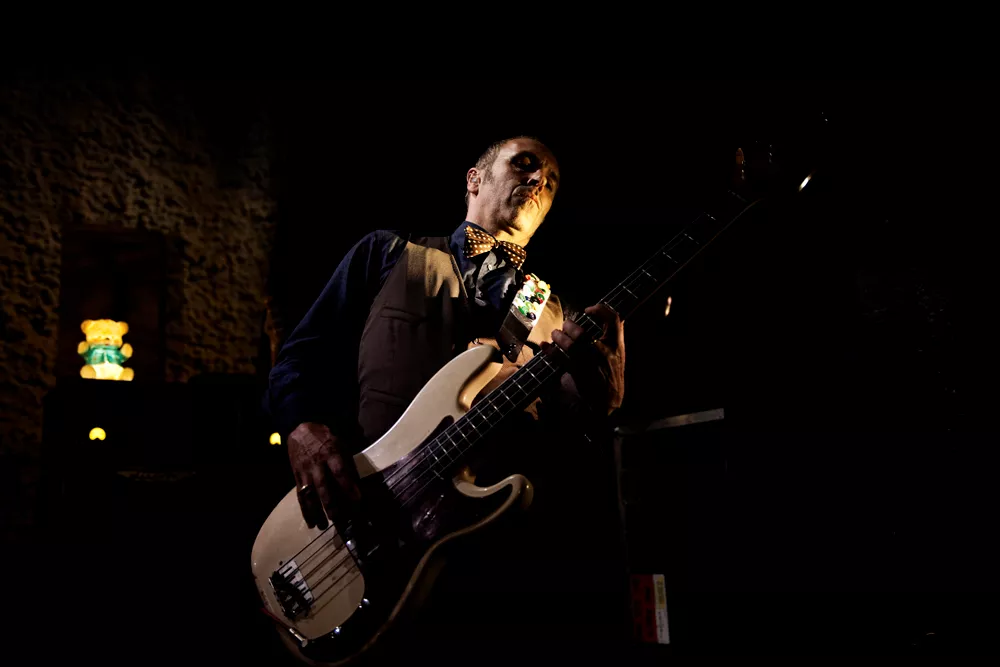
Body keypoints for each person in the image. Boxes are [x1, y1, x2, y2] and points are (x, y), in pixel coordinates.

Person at [266, 135, 626, 531]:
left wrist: (603, 404)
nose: (539, 179)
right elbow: (300, 357)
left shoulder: (553, 314)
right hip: (365, 511)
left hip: (491, 534)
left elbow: (569, 449)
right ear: (474, 180)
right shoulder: (388, 253)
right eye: (524, 164)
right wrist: (301, 426)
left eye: (551, 182)